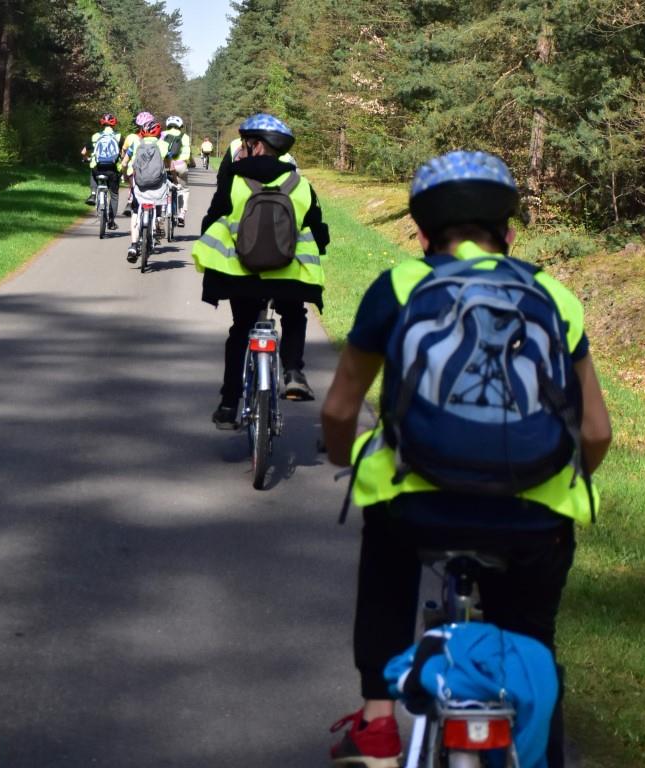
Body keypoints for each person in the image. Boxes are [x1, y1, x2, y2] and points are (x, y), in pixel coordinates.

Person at [320, 150, 612, 768]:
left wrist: (345, 460)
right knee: (531, 639)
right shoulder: (553, 295)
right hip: (535, 517)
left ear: (422, 234)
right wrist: (563, 479)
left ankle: (376, 722)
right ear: (509, 232)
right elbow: (597, 430)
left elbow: (341, 410)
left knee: (387, 565)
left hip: (417, 505)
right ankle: (540, 748)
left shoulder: (400, 285)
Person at [192, 113, 330, 427]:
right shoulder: (300, 184)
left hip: (242, 277)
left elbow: (212, 219)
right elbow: (319, 232)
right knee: (294, 316)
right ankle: (293, 371)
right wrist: (316, 245)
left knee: (241, 330)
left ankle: (228, 405)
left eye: (245, 143)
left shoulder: (235, 180)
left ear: (255, 146)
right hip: (287, 278)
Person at [123, 120, 170, 262]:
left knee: (136, 212)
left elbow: (124, 162)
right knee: (162, 200)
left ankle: (133, 245)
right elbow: (170, 166)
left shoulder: (136, 144)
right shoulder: (163, 145)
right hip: (157, 186)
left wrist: (125, 176)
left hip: (140, 186)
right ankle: (158, 222)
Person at [81, 113, 122, 230]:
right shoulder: (119, 137)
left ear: (102, 124)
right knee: (114, 195)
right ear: (114, 124)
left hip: (98, 169)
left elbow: (84, 152)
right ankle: (111, 221)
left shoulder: (95, 136)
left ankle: (93, 194)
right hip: (113, 170)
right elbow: (123, 154)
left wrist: (86, 159)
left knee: (92, 169)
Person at [119, 111, 154, 216]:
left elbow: (123, 152)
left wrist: (123, 160)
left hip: (132, 170)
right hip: (150, 170)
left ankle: (130, 202)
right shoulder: (154, 140)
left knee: (133, 186)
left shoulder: (130, 137)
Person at [162, 116, 192, 226]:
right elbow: (187, 154)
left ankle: (160, 215)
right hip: (181, 165)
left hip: (166, 166)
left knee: (162, 189)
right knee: (183, 190)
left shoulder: (163, 134)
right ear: (180, 126)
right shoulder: (185, 137)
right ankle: (181, 214)